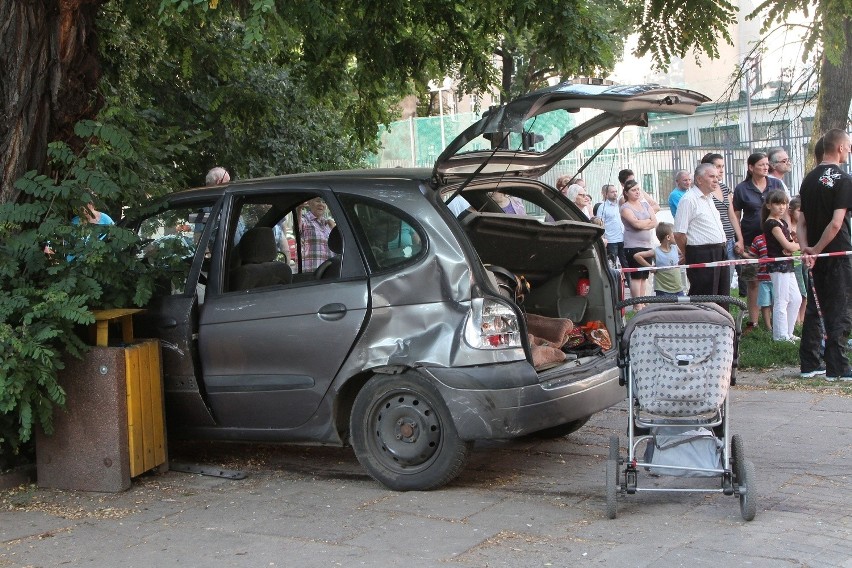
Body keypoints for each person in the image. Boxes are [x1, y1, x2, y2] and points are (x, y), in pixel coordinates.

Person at [797, 128, 852, 381]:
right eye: (848, 146)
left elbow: (801, 222)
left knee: (816, 307)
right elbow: (836, 223)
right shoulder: (843, 179)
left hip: (816, 254)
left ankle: (810, 362)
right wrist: (817, 251)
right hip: (837, 253)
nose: (849, 150)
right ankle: (837, 367)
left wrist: (806, 248)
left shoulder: (808, 179)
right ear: (839, 148)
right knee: (839, 308)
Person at [733, 152, 785, 331]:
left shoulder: (776, 184)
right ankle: (753, 322)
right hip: (750, 240)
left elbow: (784, 210)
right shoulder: (742, 188)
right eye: (761, 164)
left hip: (774, 241)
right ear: (750, 167)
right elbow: (736, 215)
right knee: (752, 280)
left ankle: (777, 321)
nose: (765, 167)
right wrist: (739, 239)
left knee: (777, 280)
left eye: (766, 164)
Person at [673, 163, 730, 296]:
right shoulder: (689, 199)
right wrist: (689, 254)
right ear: (699, 179)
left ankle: (720, 317)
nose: (716, 180)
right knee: (705, 297)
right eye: (711, 176)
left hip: (720, 250)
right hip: (701, 253)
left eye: (717, 176)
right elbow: (679, 233)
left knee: (722, 295)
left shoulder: (710, 198)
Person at [762, 190, 801, 341]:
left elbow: (790, 244)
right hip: (778, 266)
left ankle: (789, 332)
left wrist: (792, 245)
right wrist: (798, 245)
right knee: (781, 300)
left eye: (784, 203)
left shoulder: (782, 222)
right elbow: (788, 246)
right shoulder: (772, 223)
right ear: (769, 205)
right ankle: (780, 336)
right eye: (777, 203)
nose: (781, 207)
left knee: (796, 298)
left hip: (787, 264)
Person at [621, 179, 657, 307]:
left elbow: (654, 222)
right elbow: (635, 224)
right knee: (636, 276)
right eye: (633, 190)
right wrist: (646, 222)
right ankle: (637, 304)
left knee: (644, 276)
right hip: (633, 245)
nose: (637, 192)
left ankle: (642, 302)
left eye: (638, 189)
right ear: (626, 192)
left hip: (647, 245)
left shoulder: (646, 205)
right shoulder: (625, 207)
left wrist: (644, 223)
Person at [633, 222, 683, 297]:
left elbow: (685, 254)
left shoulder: (675, 248)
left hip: (678, 289)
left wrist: (682, 260)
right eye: (674, 234)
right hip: (663, 290)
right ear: (668, 237)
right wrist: (650, 267)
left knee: (681, 308)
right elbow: (637, 256)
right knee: (665, 308)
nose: (676, 236)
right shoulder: (656, 252)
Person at [597, 184, 630, 279]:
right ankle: (614, 284)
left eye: (616, 191)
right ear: (606, 194)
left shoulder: (621, 206)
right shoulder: (602, 207)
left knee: (626, 264)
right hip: (611, 240)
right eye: (612, 192)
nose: (615, 193)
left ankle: (630, 282)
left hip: (622, 238)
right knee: (612, 264)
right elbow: (600, 224)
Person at [743, 232, 773, 331]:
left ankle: (775, 323)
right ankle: (753, 323)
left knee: (775, 300)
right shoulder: (757, 239)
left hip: (770, 244)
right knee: (751, 284)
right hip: (748, 244)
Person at [300, 197, 336, 271]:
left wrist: (334, 228)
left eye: (324, 202)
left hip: (329, 273)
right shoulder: (304, 220)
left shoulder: (328, 224)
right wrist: (298, 209)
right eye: (318, 201)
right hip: (312, 273)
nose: (321, 204)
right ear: (309, 203)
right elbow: (297, 228)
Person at [787, 196, 808, 325]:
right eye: (798, 211)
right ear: (791, 211)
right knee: (799, 291)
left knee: (806, 291)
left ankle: (802, 318)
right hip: (794, 263)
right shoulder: (789, 228)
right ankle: (797, 320)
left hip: (804, 262)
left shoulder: (805, 227)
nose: (800, 214)